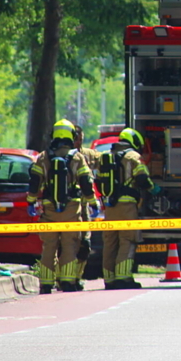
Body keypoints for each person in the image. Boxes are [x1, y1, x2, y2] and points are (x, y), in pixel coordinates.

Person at [26, 119, 97, 294]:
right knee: (69, 246)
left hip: (49, 209)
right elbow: (86, 182)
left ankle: (46, 283)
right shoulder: (77, 157)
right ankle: (67, 281)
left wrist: (31, 202)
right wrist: (93, 203)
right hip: (71, 209)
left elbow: (34, 182)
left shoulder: (43, 157)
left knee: (49, 247)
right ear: (71, 136)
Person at [99, 128, 159, 289]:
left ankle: (109, 279)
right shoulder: (133, 157)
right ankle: (123, 278)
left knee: (110, 243)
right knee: (127, 241)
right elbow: (142, 178)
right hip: (127, 207)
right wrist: (154, 189)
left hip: (110, 207)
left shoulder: (106, 156)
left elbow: (99, 181)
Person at [71, 124, 104, 281]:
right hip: (67, 208)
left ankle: (77, 277)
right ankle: (63, 278)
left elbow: (106, 161)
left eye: (81, 140)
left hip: (85, 209)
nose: (78, 143)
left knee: (85, 244)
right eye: (76, 140)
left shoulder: (89, 155)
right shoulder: (61, 157)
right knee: (66, 245)